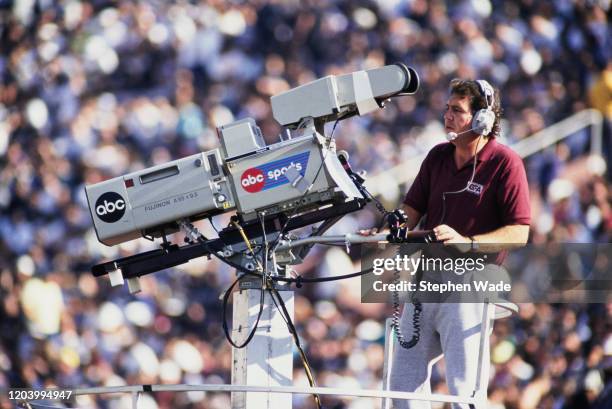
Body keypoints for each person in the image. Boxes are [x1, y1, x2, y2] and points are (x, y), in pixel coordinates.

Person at [388, 79, 531, 409]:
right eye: (446, 109)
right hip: (426, 281)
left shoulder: (506, 163)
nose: (447, 116)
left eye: (457, 110)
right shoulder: (438, 156)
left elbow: (520, 232)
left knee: (463, 389)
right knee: (401, 386)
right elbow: (410, 211)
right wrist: (393, 224)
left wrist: (467, 242)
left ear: (483, 119)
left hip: (470, 284)